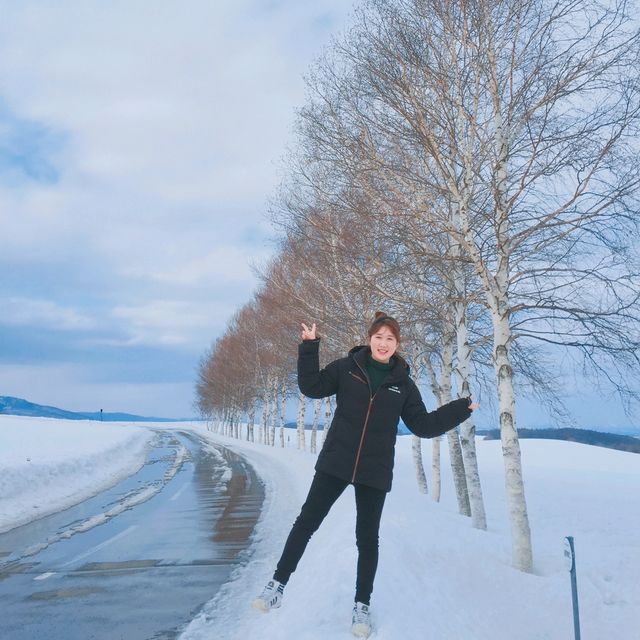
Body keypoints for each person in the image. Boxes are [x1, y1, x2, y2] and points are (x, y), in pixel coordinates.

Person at [252, 312, 478, 638]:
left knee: (367, 539)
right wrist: (309, 347)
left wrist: (459, 409)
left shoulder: (404, 385)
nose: (383, 343)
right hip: (335, 462)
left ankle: (362, 606)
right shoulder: (347, 369)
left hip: (374, 469)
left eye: (390, 339)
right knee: (306, 522)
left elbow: (424, 426)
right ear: (369, 338)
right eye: (379, 337)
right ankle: (277, 585)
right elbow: (311, 387)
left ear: (397, 344)